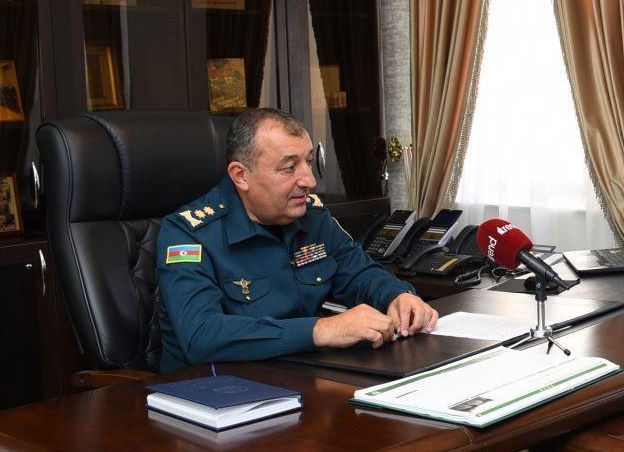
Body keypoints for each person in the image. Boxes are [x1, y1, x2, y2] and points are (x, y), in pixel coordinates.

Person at [155, 107, 437, 373]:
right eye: (289, 168)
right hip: (214, 390)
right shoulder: (188, 233)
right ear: (241, 176)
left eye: (308, 162)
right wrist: (322, 330)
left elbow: (358, 272)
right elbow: (201, 335)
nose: (309, 181)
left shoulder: (311, 215)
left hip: (301, 375)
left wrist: (397, 295)